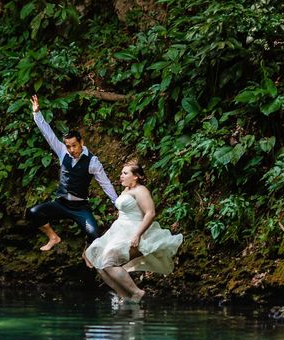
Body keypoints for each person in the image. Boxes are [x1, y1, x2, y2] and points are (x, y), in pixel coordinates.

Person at [27, 95, 118, 252]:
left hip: (80, 207)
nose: (71, 150)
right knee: (33, 213)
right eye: (68, 146)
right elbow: (48, 135)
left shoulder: (92, 162)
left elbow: (105, 183)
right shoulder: (63, 152)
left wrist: (117, 203)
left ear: (81, 143)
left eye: (74, 146)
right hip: (61, 204)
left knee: (94, 234)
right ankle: (53, 237)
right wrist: (37, 114)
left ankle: (87, 254)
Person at [85, 161, 183, 303]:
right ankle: (124, 295)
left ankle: (137, 292)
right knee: (98, 262)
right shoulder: (126, 190)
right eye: (121, 173)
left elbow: (150, 213)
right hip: (119, 229)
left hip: (134, 230)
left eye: (125, 173)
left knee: (108, 263)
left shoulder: (141, 191)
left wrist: (137, 234)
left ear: (135, 176)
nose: (121, 176)